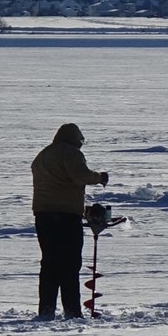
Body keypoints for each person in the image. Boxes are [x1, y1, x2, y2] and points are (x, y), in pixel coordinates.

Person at [30, 123, 109, 320]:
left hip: (43, 215)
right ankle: (72, 311)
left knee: (49, 263)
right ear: (75, 139)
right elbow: (80, 175)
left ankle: (46, 310)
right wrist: (100, 177)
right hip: (66, 216)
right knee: (69, 264)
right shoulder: (70, 153)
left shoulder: (43, 155)